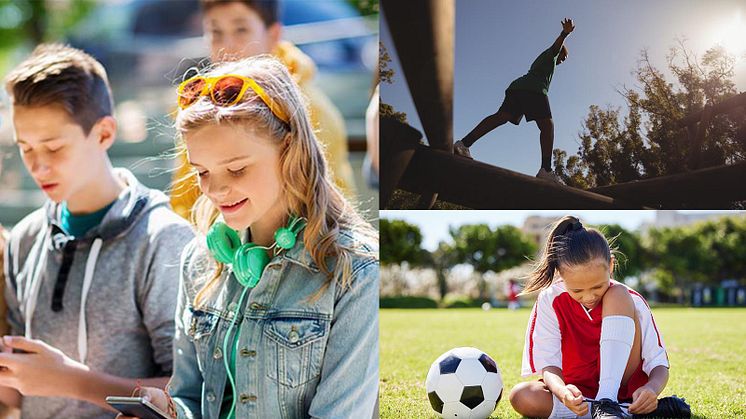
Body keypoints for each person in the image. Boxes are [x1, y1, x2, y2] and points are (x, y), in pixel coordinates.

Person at [118, 55, 379, 418]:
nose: (217, 190)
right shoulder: (199, 261)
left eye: (237, 169)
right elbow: (192, 398)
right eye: (202, 172)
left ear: (290, 151)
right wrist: (172, 411)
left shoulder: (358, 273)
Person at [0, 44, 195, 418]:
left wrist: (70, 381)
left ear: (104, 134)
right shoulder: (24, 239)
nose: (38, 167)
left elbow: (189, 390)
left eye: (54, 148)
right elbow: (16, 394)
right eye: (26, 149)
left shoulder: (163, 239)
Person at [170, 0, 356, 220]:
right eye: (215, 32)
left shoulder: (313, 111)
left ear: (273, 34)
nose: (226, 46)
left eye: (241, 30)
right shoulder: (197, 106)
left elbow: (330, 204)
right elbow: (184, 201)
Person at [509, 216, 691, 419]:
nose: (589, 297)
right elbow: (549, 365)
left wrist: (651, 389)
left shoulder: (630, 299)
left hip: (623, 389)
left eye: (597, 287)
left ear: (611, 266)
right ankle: (625, 413)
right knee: (522, 396)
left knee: (618, 294)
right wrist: (562, 391)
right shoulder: (550, 300)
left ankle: (607, 402)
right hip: (580, 393)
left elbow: (658, 364)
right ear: (561, 275)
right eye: (577, 290)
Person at [454, 19, 576, 183]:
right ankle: (546, 169)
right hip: (533, 90)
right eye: (564, 56)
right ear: (560, 51)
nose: (563, 60)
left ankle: (463, 144)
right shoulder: (551, 55)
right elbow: (556, 47)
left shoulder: (545, 61)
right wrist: (565, 33)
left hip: (517, 88)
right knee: (547, 125)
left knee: (501, 117)